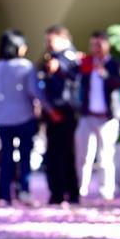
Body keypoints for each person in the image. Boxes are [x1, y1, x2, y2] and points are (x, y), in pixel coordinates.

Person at [0, 29, 58, 206]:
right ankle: (24, 191)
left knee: (6, 158)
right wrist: (50, 109)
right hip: (24, 117)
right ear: (18, 47)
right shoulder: (25, 66)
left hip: (2, 119)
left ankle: (4, 195)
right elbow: (35, 92)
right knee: (24, 158)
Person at [75, 30, 120, 200]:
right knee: (83, 156)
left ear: (107, 45)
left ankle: (106, 190)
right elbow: (75, 79)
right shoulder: (87, 63)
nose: (95, 48)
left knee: (106, 157)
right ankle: (81, 189)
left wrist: (104, 73)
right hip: (87, 115)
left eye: (99, 44)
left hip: (107, 117)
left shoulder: (114, 64)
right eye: (93, 45)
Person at [39, 25, 81, 205]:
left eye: (51, 40)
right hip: (51, 113)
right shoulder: (48, 58)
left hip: (66, 112)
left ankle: (70, 192)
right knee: (53, 155)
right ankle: (56, 192)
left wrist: (60, 67)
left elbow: (74, 76)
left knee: (66, 155)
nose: (48, 44)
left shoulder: (71, 57)